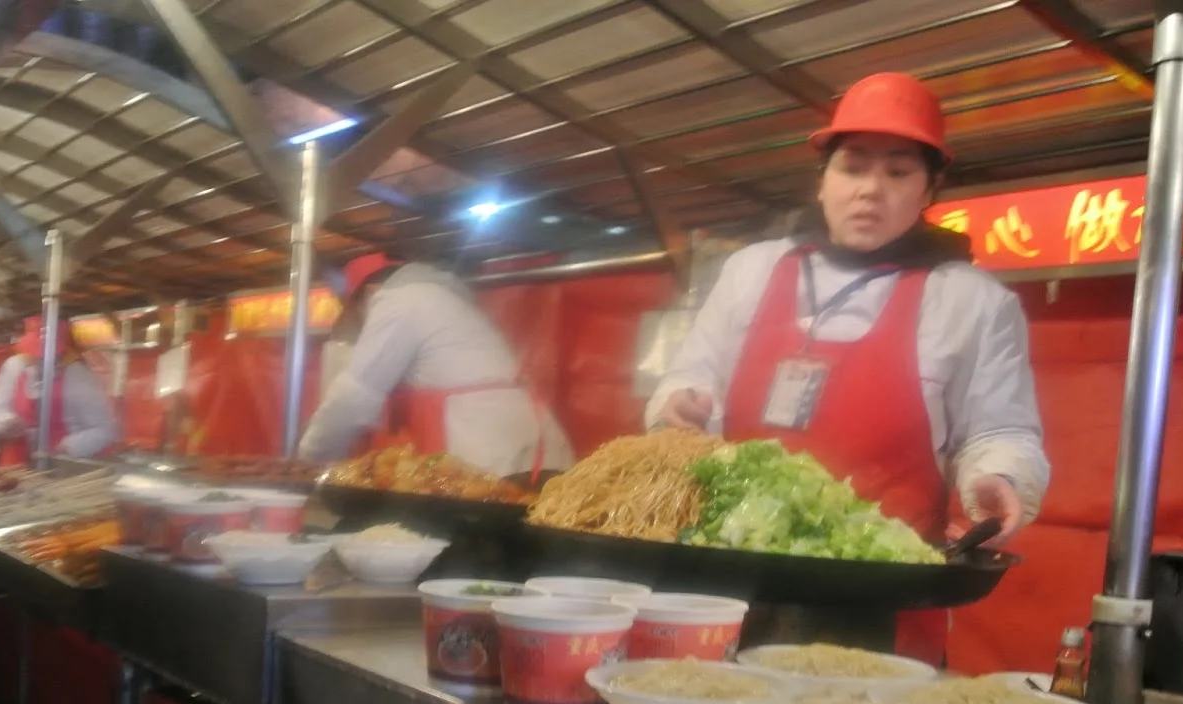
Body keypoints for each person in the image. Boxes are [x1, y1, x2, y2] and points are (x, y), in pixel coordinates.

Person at [645, 72, 1049, 666]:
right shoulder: (751, 272)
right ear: (822, 181)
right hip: (729, 584)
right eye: (852, 168)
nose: (870, 190)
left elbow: (1002, 430)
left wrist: (1000, 478)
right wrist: (679, 404)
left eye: (898, 173)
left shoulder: (971, 302)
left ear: (929, 190)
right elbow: (690, 375)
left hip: (880, 599)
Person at [297, 253, 575, 480]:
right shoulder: (435, 298)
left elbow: (353, 395)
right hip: (530, 453)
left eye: (355, 313)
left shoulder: (400, 301)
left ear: (369, 293)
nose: (362, 325)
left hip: (495, 460)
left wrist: (310, 458)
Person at [0, 316, 118, 464]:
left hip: (61, 464)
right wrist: (6, 423)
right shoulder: (14, 366)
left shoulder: (78, 376)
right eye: (34, 352)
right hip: (15, 460)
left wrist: (71, 446)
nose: (38, 358)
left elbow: (104, 429)